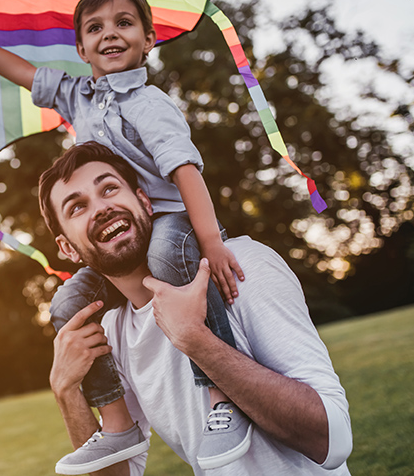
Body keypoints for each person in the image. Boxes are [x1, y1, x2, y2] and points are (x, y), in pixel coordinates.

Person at [0, 0, 248, 473]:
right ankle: (118, 424)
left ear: (149, 39)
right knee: (66, 303)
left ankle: (221, 396)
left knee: (168, 256)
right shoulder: (77, 96)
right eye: (95, 27)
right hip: (119, 239)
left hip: (169, 222)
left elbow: (186, 171)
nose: (110, 34)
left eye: (124, 23)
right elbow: (23, 73)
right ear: (80, 47)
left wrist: (210, 241)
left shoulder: (149, 104)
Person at [38, 142, 353, 475]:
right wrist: (66, 391)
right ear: (67, 248)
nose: (101, 208)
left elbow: (332, 441)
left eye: (109, 189)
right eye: (77, 207)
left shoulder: (240, 268)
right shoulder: (111, 333)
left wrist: (196, 339)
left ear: (144, 201)